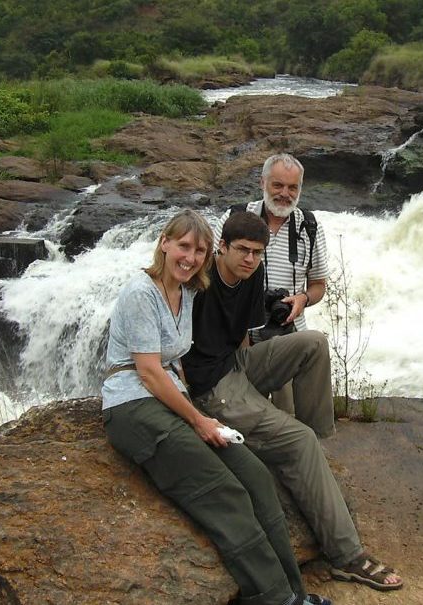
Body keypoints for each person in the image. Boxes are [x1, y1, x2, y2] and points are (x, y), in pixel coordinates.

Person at [101, 209, 331, 605]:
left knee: (255, 476)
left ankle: (296, 590)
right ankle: (274, 598)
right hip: (134, 406)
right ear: (165, 243)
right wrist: (200, 420)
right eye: (183, 246)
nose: (189, 257)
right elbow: (151, 374)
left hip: (174, 399)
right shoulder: (141, 292)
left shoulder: (188, 291)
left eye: (199, 250)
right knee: (224, 489)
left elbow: (221, 322)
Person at [182, 211, 404, 592]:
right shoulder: (199, 284)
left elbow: (241, 340)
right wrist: (194, 411)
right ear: (221, 247)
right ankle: (346, 556)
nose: (250, 259)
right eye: (242, 251)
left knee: (313, 343)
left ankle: (314, 446)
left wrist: (252, 380)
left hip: (237, 365)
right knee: (295, 440)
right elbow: (174, 350)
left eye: (257, 252)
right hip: (212, 387)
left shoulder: (252, 277)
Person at [212, 153, 329, 414]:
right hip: (236, 339)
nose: (284, 193)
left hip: (286, 335)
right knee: (241, 414)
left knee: (285, 415)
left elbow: (319, 284)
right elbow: (211, 273)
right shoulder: (235, 217)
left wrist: (303, 299)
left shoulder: (309, 227)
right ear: (262, 182)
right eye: (278, 185)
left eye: (292, 187)